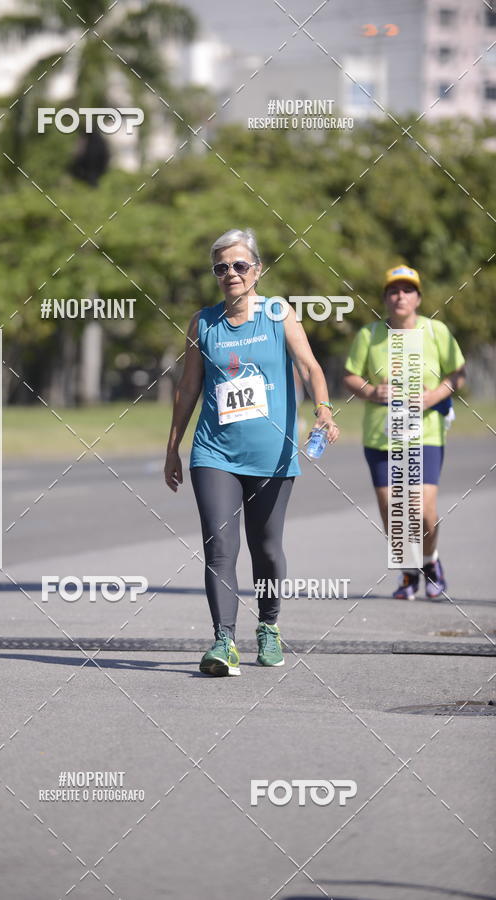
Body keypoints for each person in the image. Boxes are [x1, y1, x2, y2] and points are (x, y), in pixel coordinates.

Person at [164, 228, 339, 676]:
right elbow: (188, 388)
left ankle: (269, 627)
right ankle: (223, 642)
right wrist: (172, 447)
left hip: (272, 457)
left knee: (266, 549)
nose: (231, 274)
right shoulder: (203, 323)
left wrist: (323, 409)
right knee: (220, 546)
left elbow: (311, 366)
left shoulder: (278, 313)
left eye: (240, 265)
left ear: (257, 270)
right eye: (221, 267)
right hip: (214, 453)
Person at [343, 265, 465, 600]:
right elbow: (350, 376)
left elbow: (458, 374)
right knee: (392, 509)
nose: (400, 296)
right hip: (382, 436)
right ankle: (409, 571)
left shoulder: (436, 331)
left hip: (424, 434)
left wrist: (433, 397)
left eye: (407, 290)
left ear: (418, 297)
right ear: (385, 298)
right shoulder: (369, 335)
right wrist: (371, 392)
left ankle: (430, 561)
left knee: (424, 510)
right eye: (393, 291)